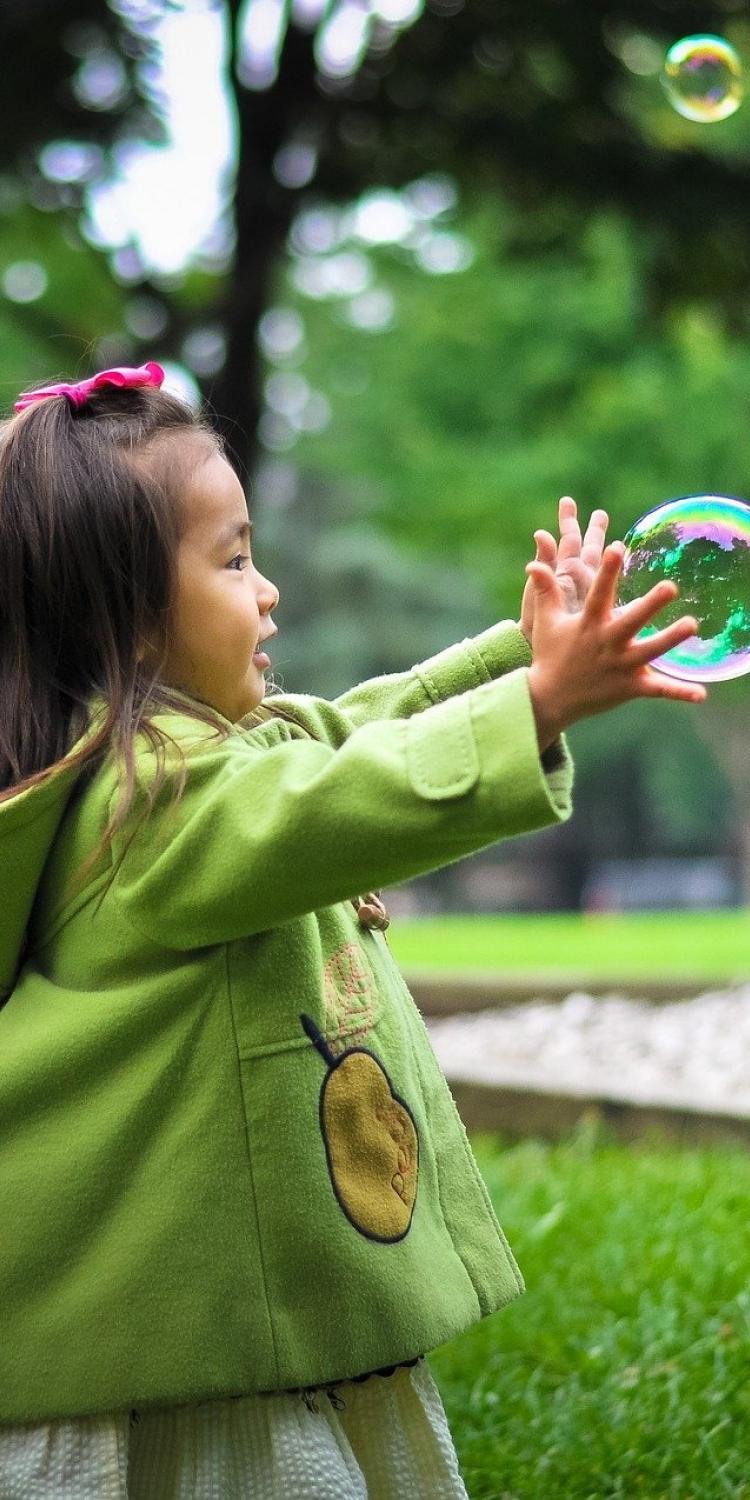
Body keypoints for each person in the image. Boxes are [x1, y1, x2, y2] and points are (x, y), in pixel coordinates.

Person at [0, 362, 705, 1499]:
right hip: (193, 1363)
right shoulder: (152, 803)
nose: (267, 590)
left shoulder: (202, 756)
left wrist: (523, 657)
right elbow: (339, 796)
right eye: (232, 561)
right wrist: (538, 707)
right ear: (127, 624)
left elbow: (350, 728)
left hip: (231, 1328)